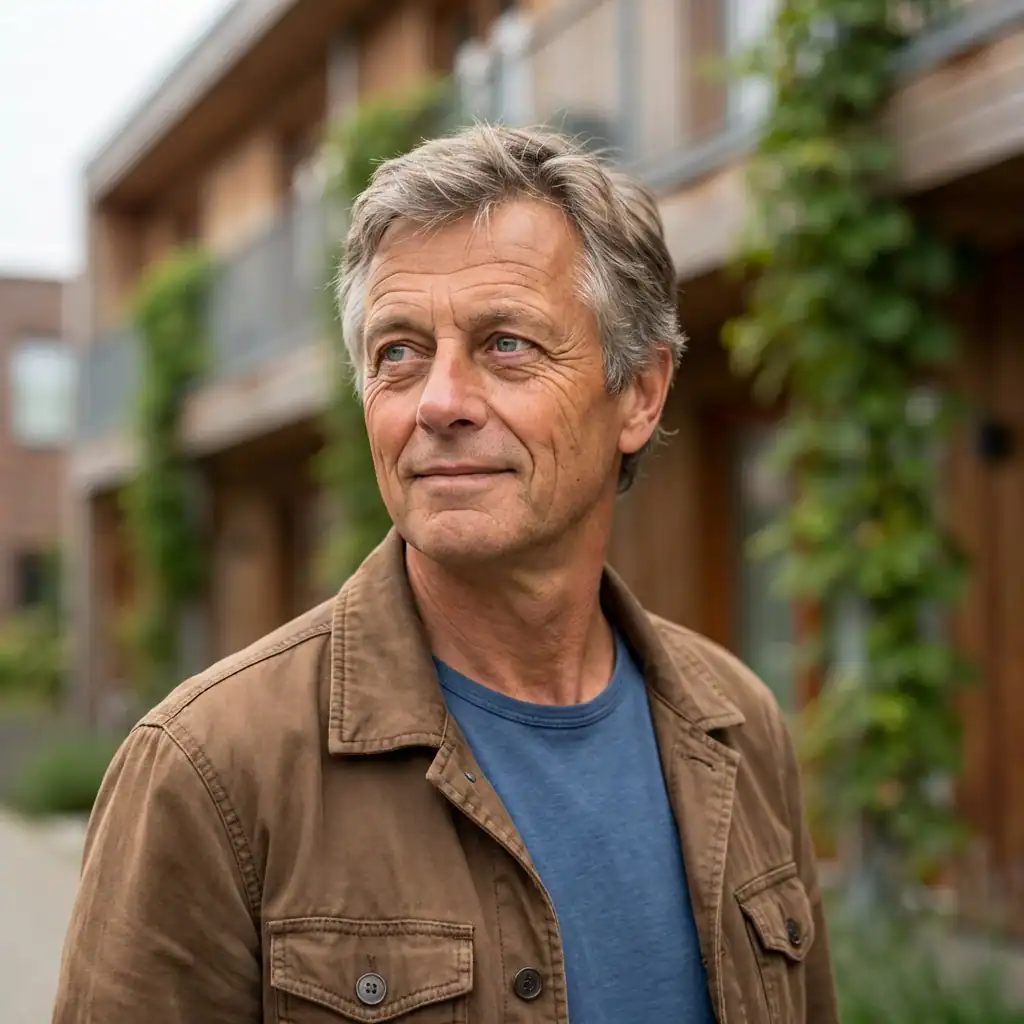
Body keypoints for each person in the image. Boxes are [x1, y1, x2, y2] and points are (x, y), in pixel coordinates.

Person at [53, 124, 838, 1023]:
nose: (440, 403)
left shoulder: (740, 727)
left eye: (506, 343)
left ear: (641, 394)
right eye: (399, 352)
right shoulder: (208, 769)